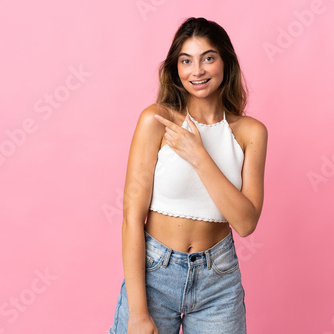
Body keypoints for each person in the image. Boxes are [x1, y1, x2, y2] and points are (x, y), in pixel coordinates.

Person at [108, 17, 267, 334]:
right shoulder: (157, 120)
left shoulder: (251, 132)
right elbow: (131, 217)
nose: (198, 71)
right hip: (154, 273)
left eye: (208, 57)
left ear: (225, 62)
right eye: (186, 60)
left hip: (218, 281)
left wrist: (199, 155)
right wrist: (139, 313)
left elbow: (246, 223)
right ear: (175, 69)